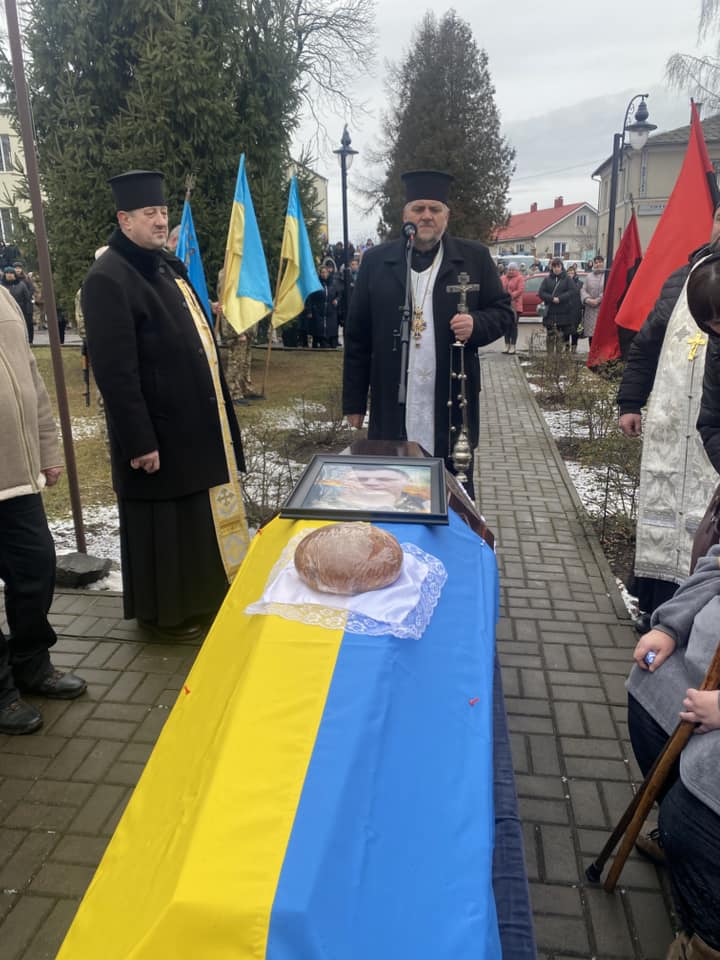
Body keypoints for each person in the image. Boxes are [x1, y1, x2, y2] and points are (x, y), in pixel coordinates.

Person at [82, 170, 249, 641]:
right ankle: (167, 619)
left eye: (162, 212)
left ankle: (199, 603)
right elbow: (116, 373)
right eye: (148, 213)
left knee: (191, 523)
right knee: (164, 528)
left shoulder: (163, 265)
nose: (160, 221)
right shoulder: (109, 278)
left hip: (192, 429)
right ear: (124, 219)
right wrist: (140, 440)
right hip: (156, 434)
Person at [342, 169, 512, 500]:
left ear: (446, 216)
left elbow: (504, 313)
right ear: (405, 215)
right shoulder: (377, 262)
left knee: (452, 494)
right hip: (391, 400)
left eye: (434, 209)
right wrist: (353, 401)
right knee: (390, 491)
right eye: (418, 209)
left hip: (450, 399)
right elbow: (357, 336)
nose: (426, 216)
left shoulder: (473, 258)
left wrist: (476, 325)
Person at [617, 209, 720, 628]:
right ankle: (655, 606)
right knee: (663, 514)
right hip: (673, 422)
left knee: (705, 526)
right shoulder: (683, 278)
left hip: (710, 435)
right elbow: (646, 343)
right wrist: (629, 401)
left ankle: (698, 618)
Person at [0, 283, 87, 735]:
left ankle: (32, 664)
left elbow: (31, 380)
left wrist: (48, 450)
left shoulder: (4, 297)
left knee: (36, 570)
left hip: (17, 477)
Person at [626, 545, 720, 959]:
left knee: (689, 810)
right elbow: (716, 564)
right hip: (704, 670)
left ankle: (707, 941)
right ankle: (686, 854)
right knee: (649, 684)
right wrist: (670, 627)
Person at [308, 464, 430, 513]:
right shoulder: (322, 505)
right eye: (361, 479)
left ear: (404, 484)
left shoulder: (425, 507)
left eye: (384, 479)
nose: (371, 483)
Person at [538, 258, 574, 352]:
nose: (556, 269)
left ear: (561, 267)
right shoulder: (547, 279)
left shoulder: (567, 279)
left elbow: (572, 291)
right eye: (554, 266)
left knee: (560, 337)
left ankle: (558, 359)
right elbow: (541, 293)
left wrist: (560, 298)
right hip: (550, 312)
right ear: (552, 267)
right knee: (550, 336)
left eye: (558, 266)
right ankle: (549, 358)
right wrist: (551, 298)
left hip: (563, 313)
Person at [306, 265, 340, 348]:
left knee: (331, 327)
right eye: (322, 272)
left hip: (330, 310)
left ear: (328, 273)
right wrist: (309, 310)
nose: (324, 274)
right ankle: (319, 342)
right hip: (318, 310)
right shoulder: (316, 284)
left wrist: (337, 300)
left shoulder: (333, 283)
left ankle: (331, 342)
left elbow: (339, 294)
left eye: (325, 272)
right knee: (318, 328)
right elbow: (310, 297)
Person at [1, 265, 34, 343]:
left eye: (11, 273)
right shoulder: (1, 286)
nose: (9, 275)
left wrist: (28, 311)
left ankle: (29, 341)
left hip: (21, 309)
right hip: (6, 310)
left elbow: (27, 298)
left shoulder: (21, 285)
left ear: (14, 275)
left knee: (25, 325)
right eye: (7, 273)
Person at [580, 255, 605, 346]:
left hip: (602, 308)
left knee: (601, 334)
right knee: (591, 335)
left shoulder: (607, 275)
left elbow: (608, 290)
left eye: (600, 262)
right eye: (596, 262)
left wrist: (598, 300)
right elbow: (583, 289)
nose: (598, 264)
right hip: (590, 309)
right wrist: (587, 299)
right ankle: (592, 356)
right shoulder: (589, 276)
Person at [501, 261, 524, 355]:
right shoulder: (503, 278)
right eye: (509, 269)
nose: (510, 271)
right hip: (505, 305)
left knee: (513, 326)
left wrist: (510, 296)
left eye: (513, 269)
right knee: (506, 325)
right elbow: (500, 288)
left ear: (516, 270)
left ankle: (513, 345)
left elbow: (520, 290)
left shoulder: (520, 278)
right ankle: (506, 344)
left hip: (515, 305)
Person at [566, 264, 584, 353]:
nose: (570, 274)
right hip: (566, 311)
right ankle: (566, 348)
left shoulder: (580, 283)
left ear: (575, 273)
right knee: (566, 331)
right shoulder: (564, 283)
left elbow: (579, 293)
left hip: (576, 310)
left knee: (575, 331)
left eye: (572, 272)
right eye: (569, 273)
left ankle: (574, 348)